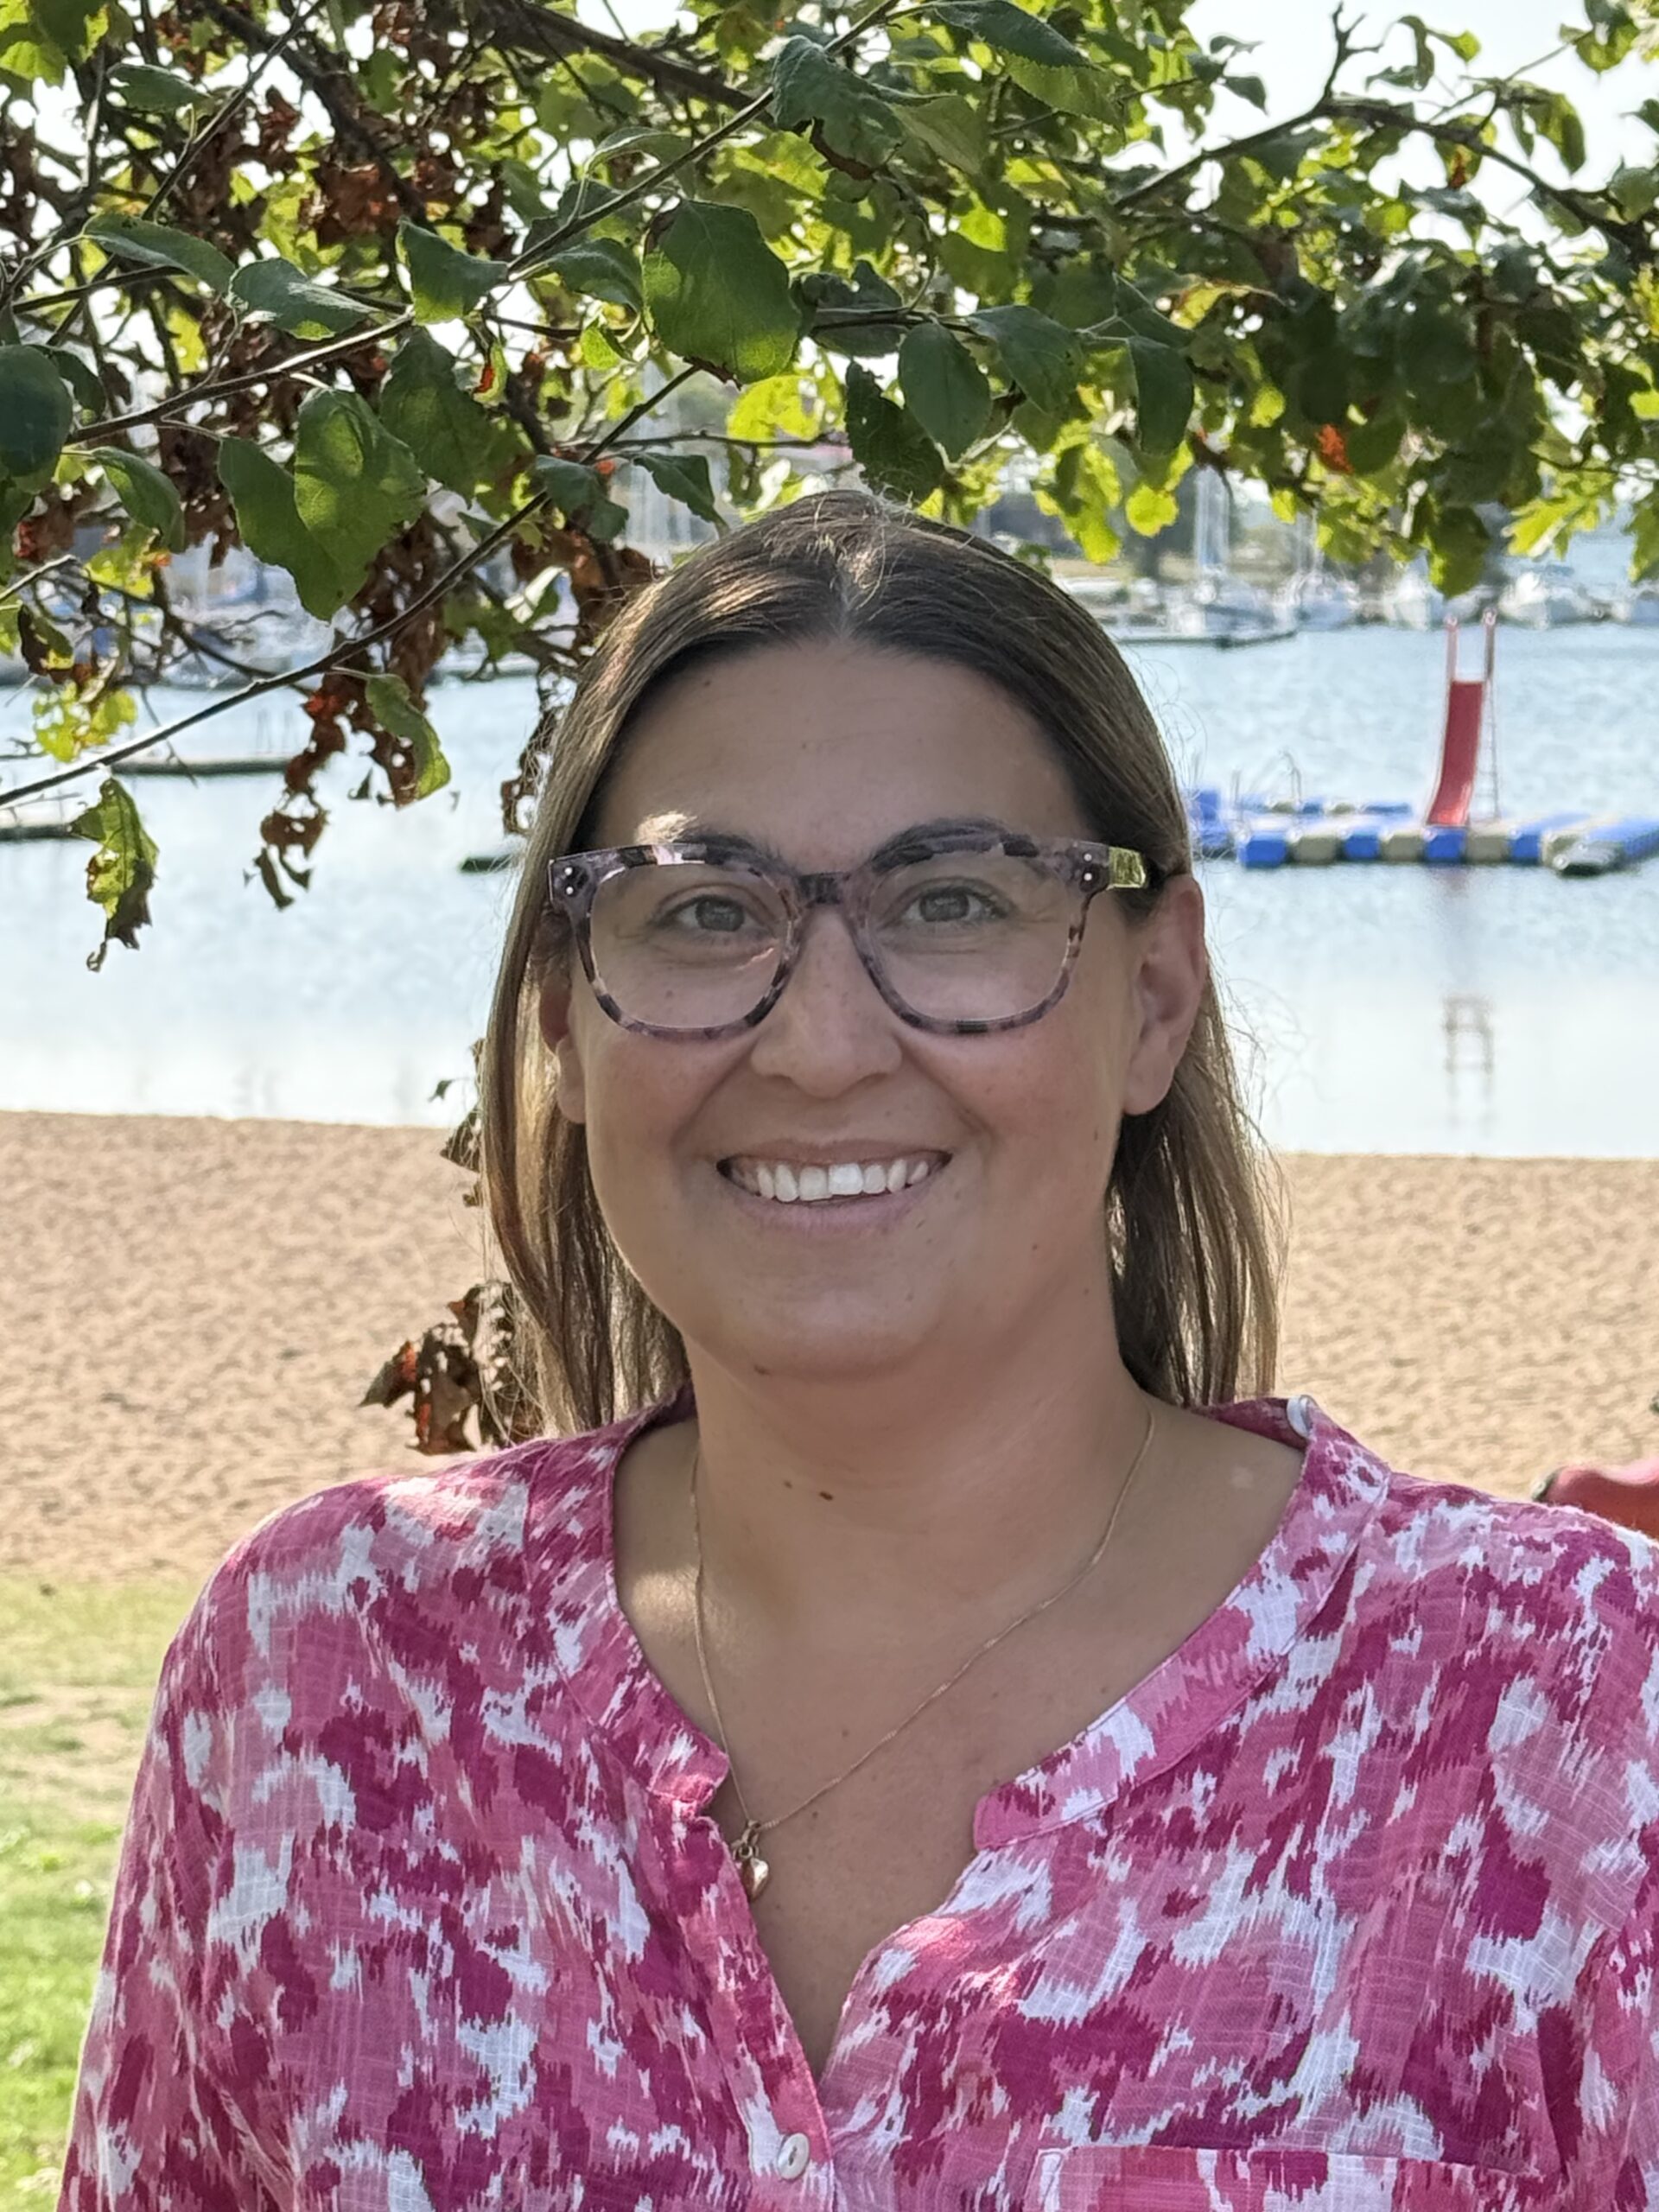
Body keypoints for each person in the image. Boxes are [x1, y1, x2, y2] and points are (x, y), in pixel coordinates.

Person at [59, 490, 1657, 2211]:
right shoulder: (323, 1674)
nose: (819, 1045)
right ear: (564, 1022)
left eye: (952, 901)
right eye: (702, 911)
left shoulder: (1568, 1716)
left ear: (1155, 999)